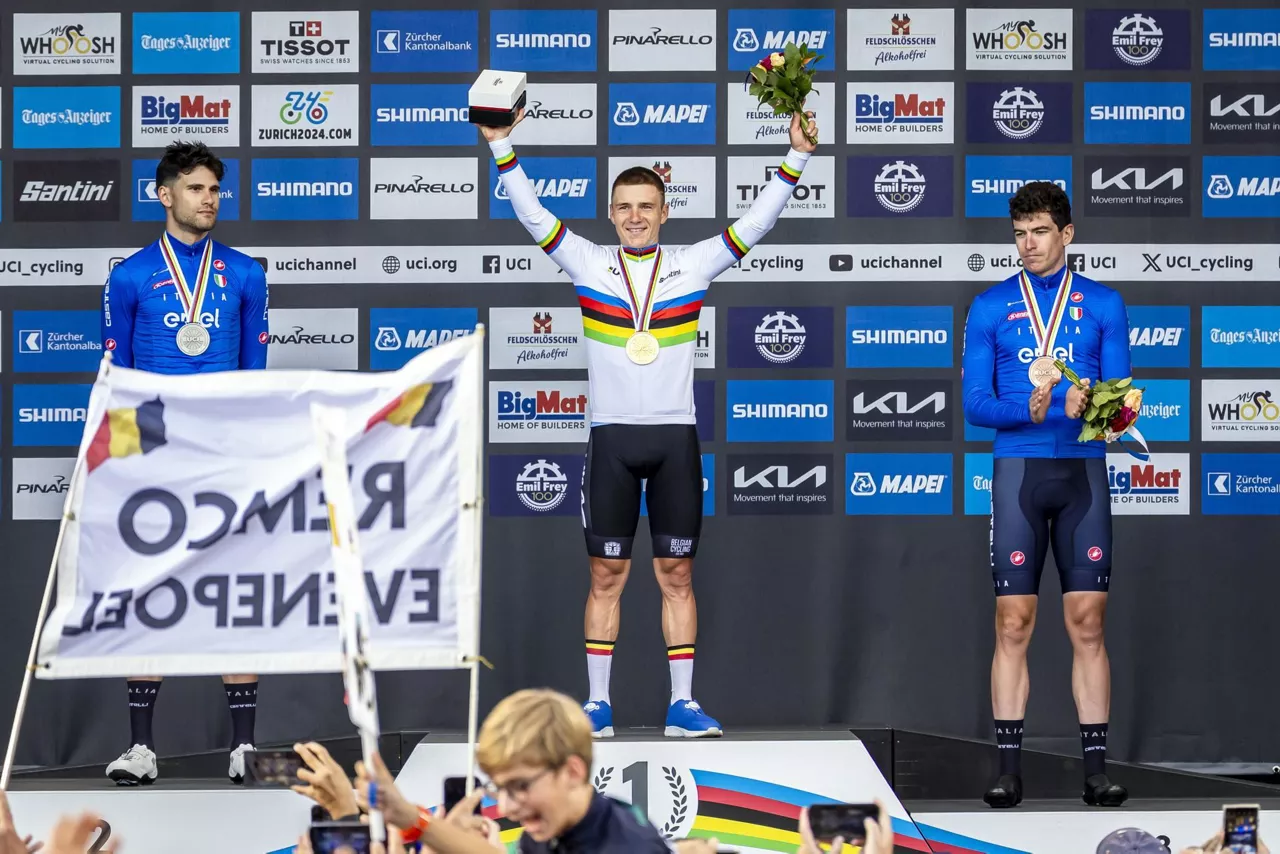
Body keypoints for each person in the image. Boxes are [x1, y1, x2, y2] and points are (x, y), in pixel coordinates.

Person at [481, 105, 818, 738]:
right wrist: (501, 146)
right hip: (610, 438)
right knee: (605, 576)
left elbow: (757, 222)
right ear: (611, 213)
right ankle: (597, 706)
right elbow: (532, 215)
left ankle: (683, 705)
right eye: (624, 207)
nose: (635, 216)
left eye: (647, 206)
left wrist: (796, 156)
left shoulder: (693, 264)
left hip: (674, 440)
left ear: (665, 212)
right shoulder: (587, 262)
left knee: (677, 575)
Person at [99, 140, 269, 785]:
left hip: (223, 458)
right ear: (164, 194)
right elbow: (117, 379)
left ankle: (245, 747)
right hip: (156, 459)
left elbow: (254, 379)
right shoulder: (129, 276)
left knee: (235, 592)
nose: (209, 200)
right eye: (196, 188)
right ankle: (140, 749)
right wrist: (124, 465)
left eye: (215, 189)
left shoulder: (246, 273)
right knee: (150, 594)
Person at [961, 182, 1130, 809]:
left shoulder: (1105, 303)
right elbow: (974, 404)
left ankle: (1096, 773)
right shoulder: (989, 306)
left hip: (1082, 473)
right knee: (1013, 622)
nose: (1027, 244)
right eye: (1019, 234)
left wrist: (1098, 404)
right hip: (1019, 473)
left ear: (1067, 234)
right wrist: (1026, 411)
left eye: (1038, 231)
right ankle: (1008, 772)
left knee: (1087, 621)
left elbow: (1122, 407)